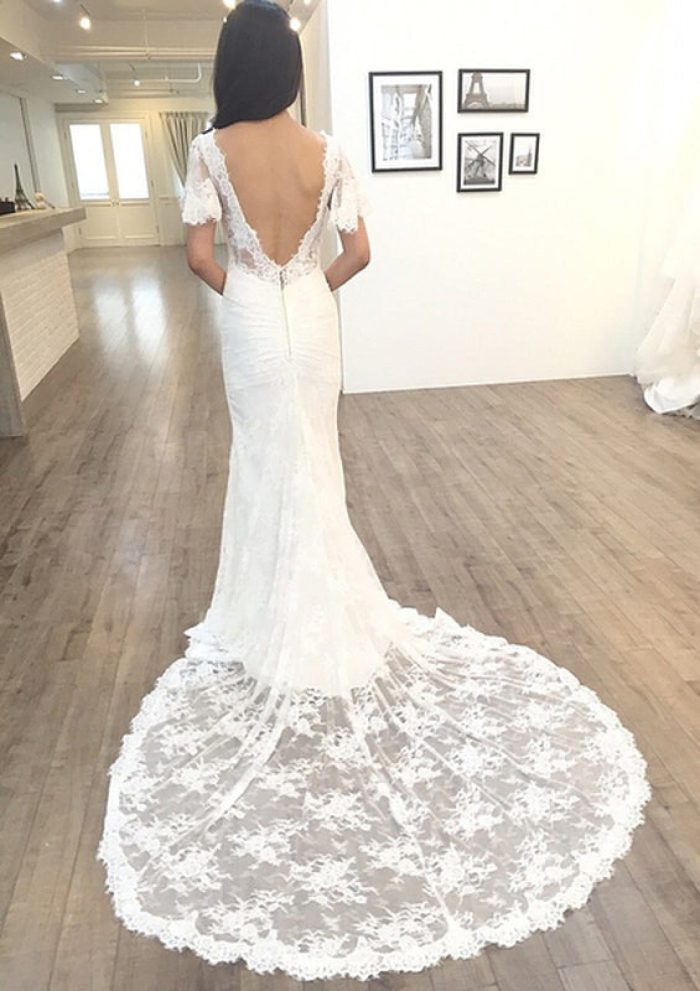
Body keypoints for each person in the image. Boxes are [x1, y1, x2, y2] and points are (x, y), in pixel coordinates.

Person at [96, 0, 651, 982]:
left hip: (251, 323)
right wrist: (305, 288)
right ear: (288, 66)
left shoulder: (212, 151)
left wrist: (252, 296)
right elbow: (357, 252)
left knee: (266, 461)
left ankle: (265, 615)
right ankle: (324, 614)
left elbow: (198, 257)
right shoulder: (327, 151)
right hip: (314, 321)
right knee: (318, 459)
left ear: (231, 66)